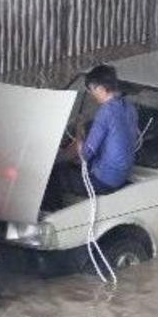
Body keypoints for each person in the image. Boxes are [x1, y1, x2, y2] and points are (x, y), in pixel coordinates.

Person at [41, 64, 138, 211]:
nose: (91, 94)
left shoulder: (105, 112)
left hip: (104, 180)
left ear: (99, 88)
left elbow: (85, 154)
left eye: (91, 90)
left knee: (52, 174)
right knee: (70, 167)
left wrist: (79, 129)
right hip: (122, 174)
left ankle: (52, 215)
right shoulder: (128, 106)